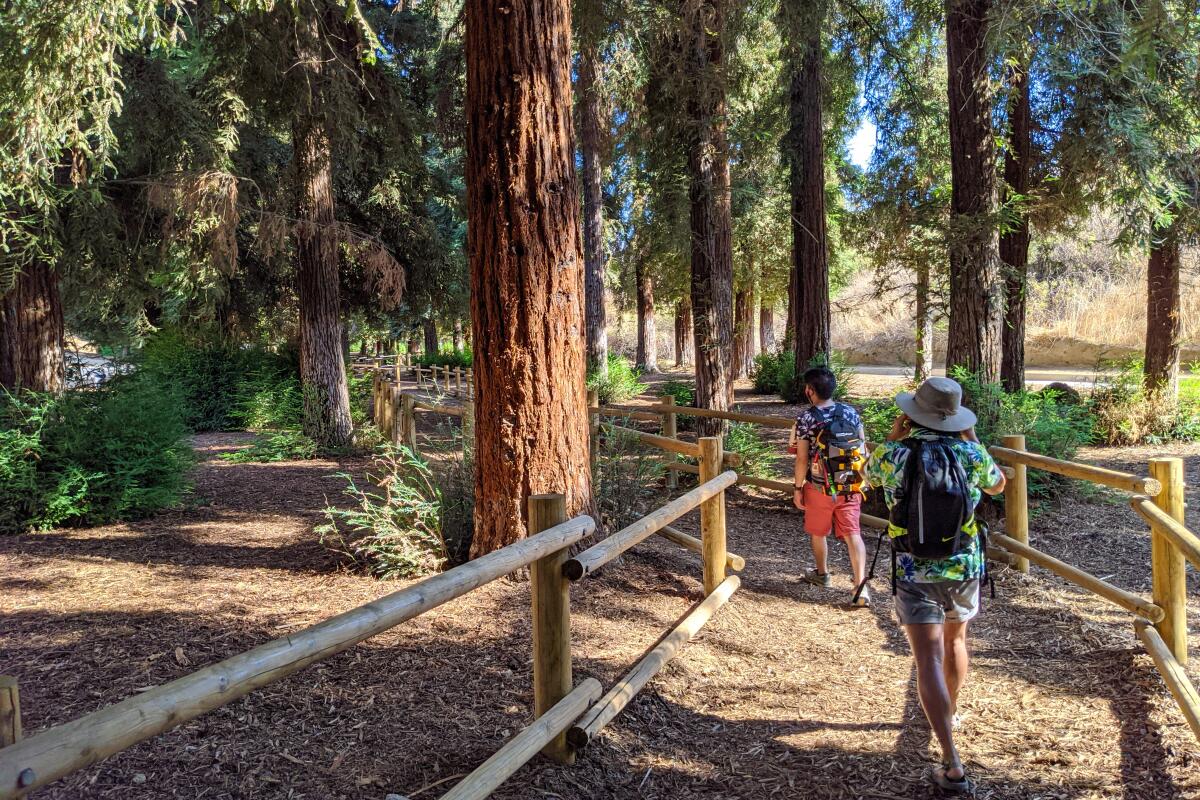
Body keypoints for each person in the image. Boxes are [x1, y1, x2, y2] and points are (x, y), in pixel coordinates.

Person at [864, 376, 1006, 793]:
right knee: (956, 643)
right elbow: (998, 484)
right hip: (963, 565)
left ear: (913, 414)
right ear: (956, 416)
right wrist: (973, 437)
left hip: (913, 568)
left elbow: (869, 479)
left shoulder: (894, 453)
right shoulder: (969, 450)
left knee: (927, 657)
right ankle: (951, 710)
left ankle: (951, 758)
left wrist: (893, 434)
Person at [792, 366, 870, 607]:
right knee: (853, 533)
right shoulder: (851, 413)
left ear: (810, 390)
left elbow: (802, 458)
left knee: (818, 532)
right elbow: (863, 447)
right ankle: (860, 587)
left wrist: (797, 488)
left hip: (820, 486)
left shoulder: (807, 418)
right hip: (850, 485)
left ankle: (822, 573)